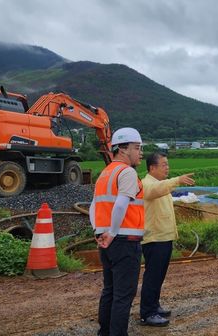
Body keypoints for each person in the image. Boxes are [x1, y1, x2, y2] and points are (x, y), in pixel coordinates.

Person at [89, 127, 144, 336]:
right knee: (123, 295)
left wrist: (99, 233)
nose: (140, 153)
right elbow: (121, 205)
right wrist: (112, 232)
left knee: (109, 291)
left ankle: (105, 332)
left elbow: (94, 206)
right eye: (137, 148)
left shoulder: (105, 173)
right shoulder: (127, 172)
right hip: (124, 241)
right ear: (123, 149)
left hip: (107, 241)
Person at [139, 152, 195, 327]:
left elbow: (162, 189)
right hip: (154, 238)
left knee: (159, 276)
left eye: (167, 164)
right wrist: (177, 180)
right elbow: (155, 191)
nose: (167, 167)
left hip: (163, 237)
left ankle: (154, 306)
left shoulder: (160, 184)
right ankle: (147, 313)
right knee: (152, 276)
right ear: (152, 168)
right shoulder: (146, 184)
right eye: (164, 164)